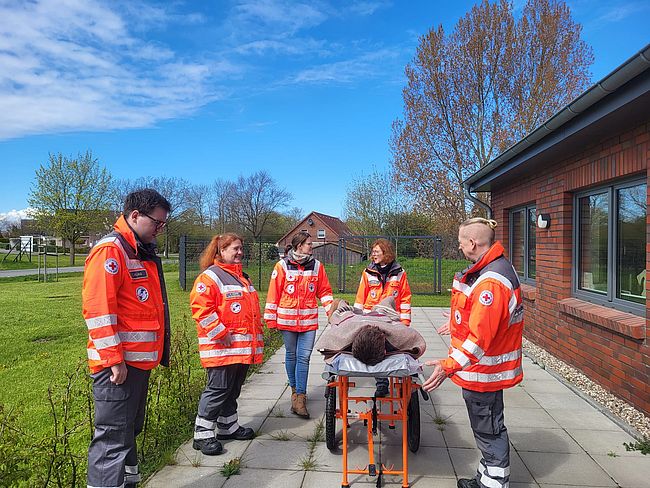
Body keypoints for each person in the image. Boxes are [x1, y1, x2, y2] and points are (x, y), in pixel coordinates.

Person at [423, 218, 524, 488]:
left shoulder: (491, 282)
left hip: (485, 373)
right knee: (485, 427)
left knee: (488, 429)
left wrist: (447, 366)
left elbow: (480, 339)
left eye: (460, 242)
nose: (459, 247)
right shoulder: (494, 268)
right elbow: (482, 320)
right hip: (483, 371)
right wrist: (454, 322)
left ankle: (493, 483)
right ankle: (486, 476)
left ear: (472, 242)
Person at [83, 188, 171, 488]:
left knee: (127, 432)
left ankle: (129, 482)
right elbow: (98, 311)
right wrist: (114, 361)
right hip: (118, 368)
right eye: (156, 223)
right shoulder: (111, 251)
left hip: (136, 365)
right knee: (112, 439)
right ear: (135, 215)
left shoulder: (138, 249)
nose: (160, 229)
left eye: (163, 224)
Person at [190, 233, 264, 455]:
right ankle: (201, 435)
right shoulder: (210, 277)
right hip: (221, 349)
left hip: (241, 350)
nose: (240, 252)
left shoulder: (243, 278)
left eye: (241, 248)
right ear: (221, 252)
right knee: (218, 390)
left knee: (232, 390)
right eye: (235, 249)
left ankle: (228, 426)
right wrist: (219, 332)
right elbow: (201, 309)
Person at [264, 231, 333, 418]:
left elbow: (325, 292)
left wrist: (332, 313)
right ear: (299, 246)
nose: (312, 246)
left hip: (308, 322)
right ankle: (295, 391)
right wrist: (271, 319)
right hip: (287, 321)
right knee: (291, 356)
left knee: (304, 358)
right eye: (309, 244)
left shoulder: (317, 266)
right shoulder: (282, 266)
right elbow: (273, 294)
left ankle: (300, 397)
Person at [354, 238, 412, 396]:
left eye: (376, 252)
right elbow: (360, 297)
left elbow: (405, 298)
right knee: (376, 349)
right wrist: (356, 320)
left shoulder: (400, 273)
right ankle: (382, 383)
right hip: (371, 319)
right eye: (372, 252)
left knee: (394, 351)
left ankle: (398, 378)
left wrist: (405, 323)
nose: (373, 255)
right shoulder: (368, 272)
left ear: (386, 253)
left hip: (391, 320)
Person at [318, 297, 426, 365]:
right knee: (387, 302)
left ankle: (343, 303)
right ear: (385, 351)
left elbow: (332, 329)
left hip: (353, 321)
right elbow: (417, 342)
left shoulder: (342, 335)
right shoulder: (399, 334)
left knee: (342, 311)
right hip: (378, 318)